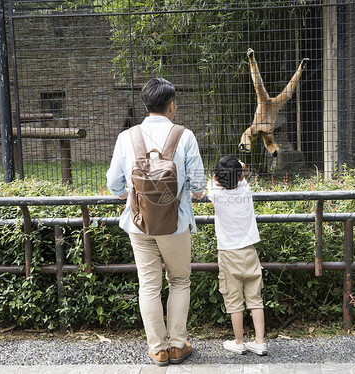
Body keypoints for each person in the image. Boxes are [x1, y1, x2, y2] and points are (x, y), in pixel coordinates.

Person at [106, 77, 206, 366]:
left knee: (148, 285)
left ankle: (158, 349)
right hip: (176, 224)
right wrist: (194, 192)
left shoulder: (127, 137)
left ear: (145, 105)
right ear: (172, 105)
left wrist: (125, 194)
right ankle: (177, 345)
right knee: (179, 281)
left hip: (139, 223)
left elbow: (114, 182)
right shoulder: (184, 136)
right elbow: (198, 183)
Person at [207, 155, 267, 356]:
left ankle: (239, 341)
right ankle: (259, 341)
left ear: (217, 178)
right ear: (241, 177)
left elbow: (213, 182)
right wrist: (239, 168)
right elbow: (239, 172)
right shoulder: (246, 191)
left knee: (234, 300)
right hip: (249, 251)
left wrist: (220, 177)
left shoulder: (216, 194)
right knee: (255, 298)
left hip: (228, 253)